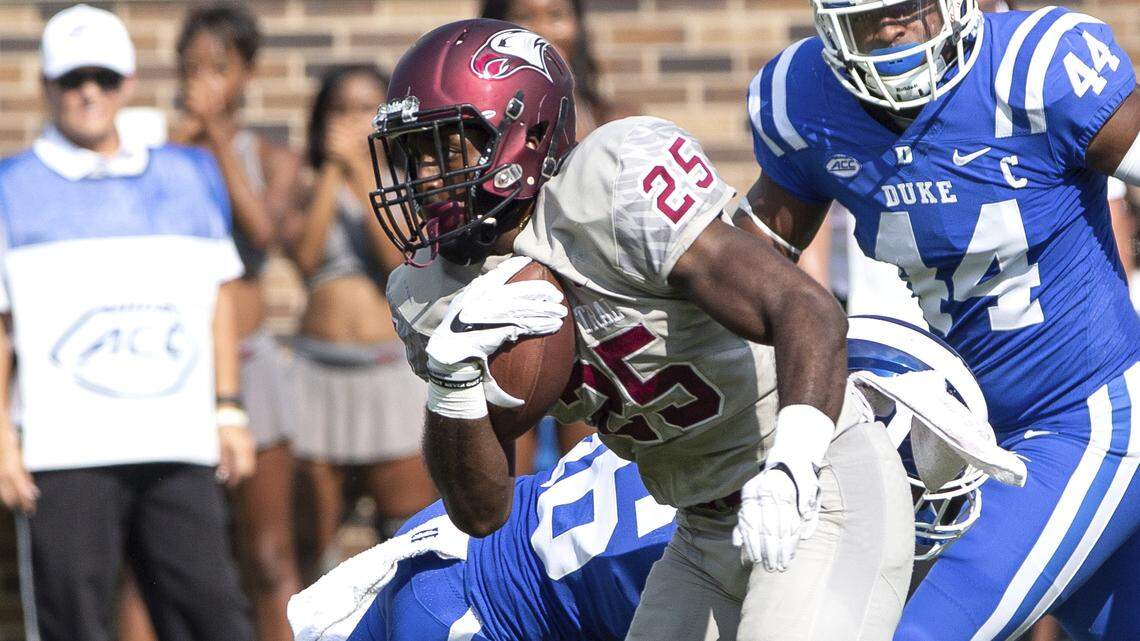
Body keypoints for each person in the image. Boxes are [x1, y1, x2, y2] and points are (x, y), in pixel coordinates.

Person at [374, 18, 914, 641]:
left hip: (819, 485)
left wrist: (793, 466)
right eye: (411, 154)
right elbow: (481, 512)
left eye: (446, 148)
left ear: (527, 134)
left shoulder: (611, 186)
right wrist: (452, 386)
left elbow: (807, 308)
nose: (425, 178)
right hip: (702, 531)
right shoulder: (433, 292)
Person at [743, 0, 1140, 639]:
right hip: (977, 437)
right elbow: (749, 272)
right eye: (872, 15)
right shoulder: (805, 99)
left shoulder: (1033, 66)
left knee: (921, 631)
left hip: (1093, 413)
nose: (895, 26)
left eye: (910, 6)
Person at [287, 315, 1017, 641]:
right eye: (919, 487)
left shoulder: (740, 430)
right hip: (482, 613)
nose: (924, 516)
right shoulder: (785, 524)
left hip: (457, 560)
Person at [0, 5, 256, 641]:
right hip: (64, 451)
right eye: (73, 78)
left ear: (129, 83)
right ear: (47, 86)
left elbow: (220, 297)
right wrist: (1, 436)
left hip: (178, 444)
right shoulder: (10, 187)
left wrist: (229, 409)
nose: (89, 92)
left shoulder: (189, 174)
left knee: (213, 619)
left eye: (104, 77)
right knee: (73, 624)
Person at [171, 5, 303, 640]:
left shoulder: (272, 156)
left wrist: (218, 137)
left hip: (251, 360)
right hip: (177, 367)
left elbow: (264, 232)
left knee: (268, 553)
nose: (202, 81)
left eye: (218, 67)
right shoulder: (162, 155)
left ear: (248, 73)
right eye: (191, 68)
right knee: (159, 559)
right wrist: (185, 141)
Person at [284, 64, 436, 581]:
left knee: (405, 534)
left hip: (389, 370)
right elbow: (305, 262)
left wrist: (358, 167)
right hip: (319, 372)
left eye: (366, 109)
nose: (352, 122)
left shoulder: (408, 184)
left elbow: (399, 258)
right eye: (340, 110)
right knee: (311, 543)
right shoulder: (309, 184)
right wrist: (333, 171)